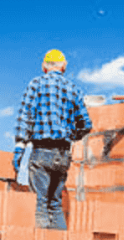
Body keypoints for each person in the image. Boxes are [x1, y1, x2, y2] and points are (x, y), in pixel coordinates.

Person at [13, 49, 92, 230]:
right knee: (55, 205)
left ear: (44, 67)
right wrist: (71, 136)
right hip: (63, 155)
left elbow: (25, 118)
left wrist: (19, 149)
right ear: (63, 67)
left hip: (42, 151)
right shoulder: (73, 89)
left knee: (39, 204)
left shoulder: (36, 84)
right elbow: (86, 124)